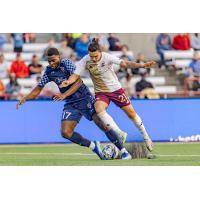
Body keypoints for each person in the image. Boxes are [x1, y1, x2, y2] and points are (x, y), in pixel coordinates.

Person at [16, 47, 132, 160]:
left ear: (59, 57)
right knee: (65, 132)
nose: (51, 63)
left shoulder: (66, 63)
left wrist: (64, 95)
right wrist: (25, 98)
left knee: (101, 123)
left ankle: (124, 152)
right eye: (49, 61)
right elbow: (38, 89)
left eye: (54, 60)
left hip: (84, 97)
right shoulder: (48, 71)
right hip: (71, 103)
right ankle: (94, 146)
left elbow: (78, 82)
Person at [60, 38, 156, 152]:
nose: (94, 59)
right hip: (101, 92)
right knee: (98, 108)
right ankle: (119, 133)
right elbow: (75, 75)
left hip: (116, 90)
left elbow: (125, 63)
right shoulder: (85, 60)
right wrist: (68, 82)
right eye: (92, 56)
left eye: (96, 56)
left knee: (131, 114)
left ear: (100, 52)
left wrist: (141, 65)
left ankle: (146, 137)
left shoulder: (107, 57)